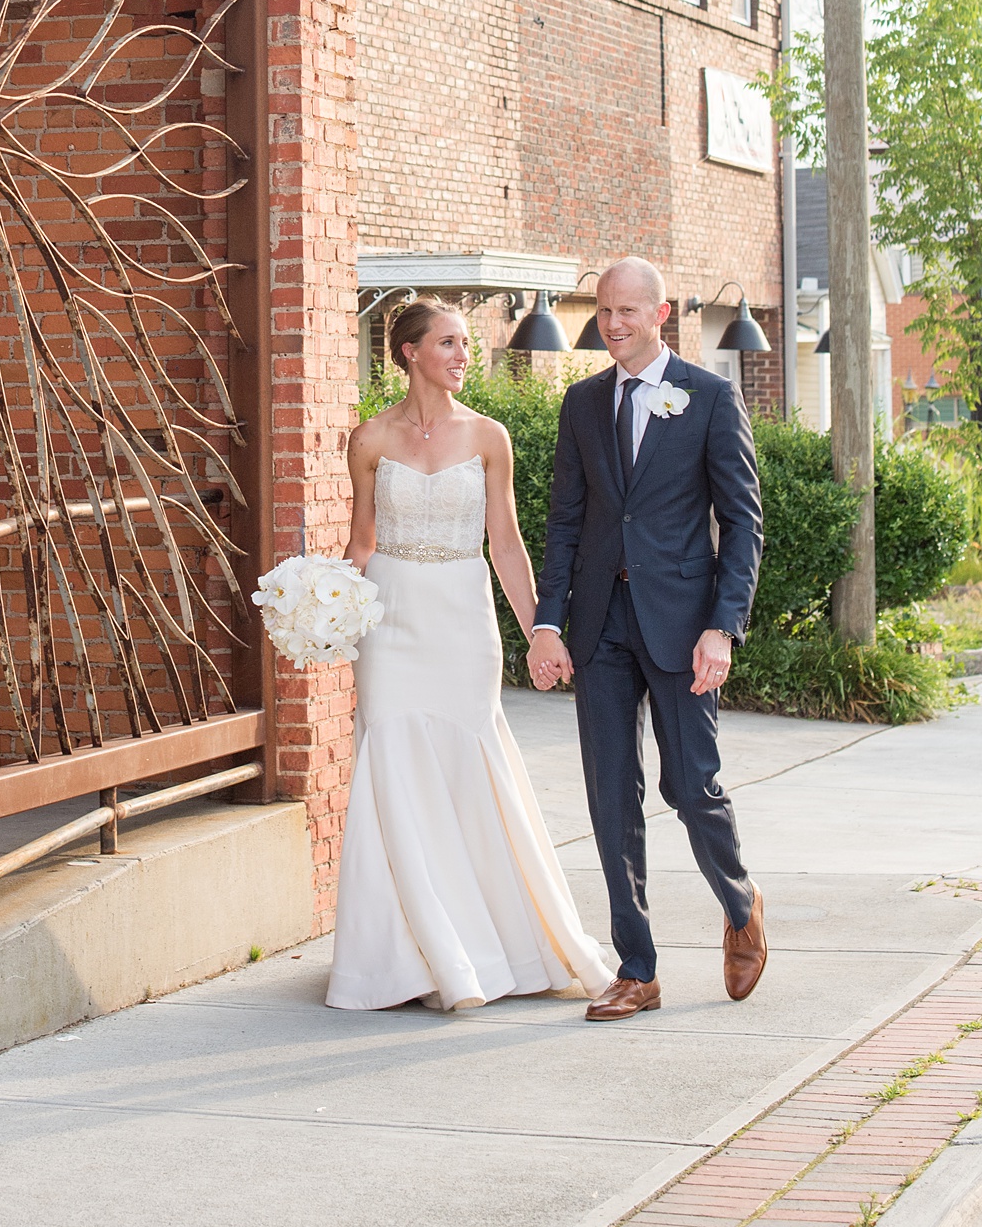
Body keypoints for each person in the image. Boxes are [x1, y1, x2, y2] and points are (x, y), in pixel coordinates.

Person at [326, 297, 615, 1013]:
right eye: (449, 342)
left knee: (468, 764)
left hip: (462, 614)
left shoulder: (490, 437)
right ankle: (413, 956)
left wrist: (542, 631)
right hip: (391, 619)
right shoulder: (368, 440)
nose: (463, 354)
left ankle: (495, 942)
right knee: (391, 758)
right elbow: (362, 542)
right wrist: (325, 610)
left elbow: (506, 544)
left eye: (465, 343)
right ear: (410, 352)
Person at [527, 257, 767, 1021]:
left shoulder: (710, 396)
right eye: (604, 310)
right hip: (600, 627)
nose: (614, 323)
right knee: (609, 793)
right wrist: (547, 621)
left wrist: (722, 626)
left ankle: (740, 900)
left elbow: (743, 523)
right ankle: (636, 966)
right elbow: (566, 521)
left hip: (684, 625)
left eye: (629, 310)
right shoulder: (582, 402)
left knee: (690, 785)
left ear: (661, 315)